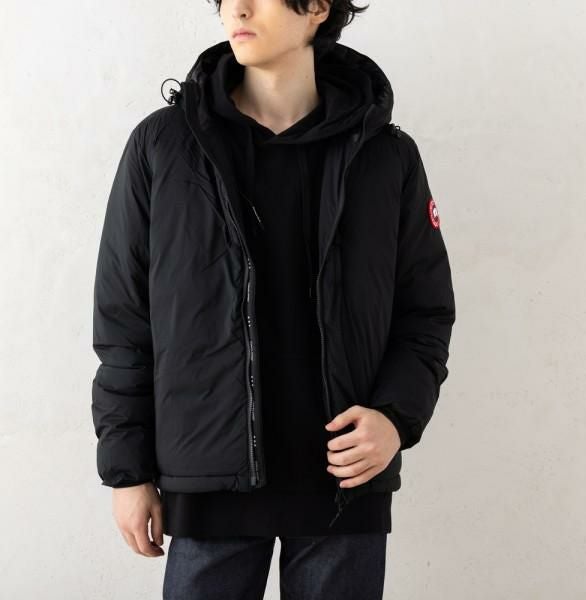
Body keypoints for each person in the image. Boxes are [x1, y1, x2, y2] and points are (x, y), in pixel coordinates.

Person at [90, 0, 456, 598]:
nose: (236, 9)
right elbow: (124, 323)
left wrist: (395, 416)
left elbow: (425, 312)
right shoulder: (164, 146)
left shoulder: (386, 156)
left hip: (343, 482)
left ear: (317, 8)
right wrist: (127, 471)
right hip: (208, 481)